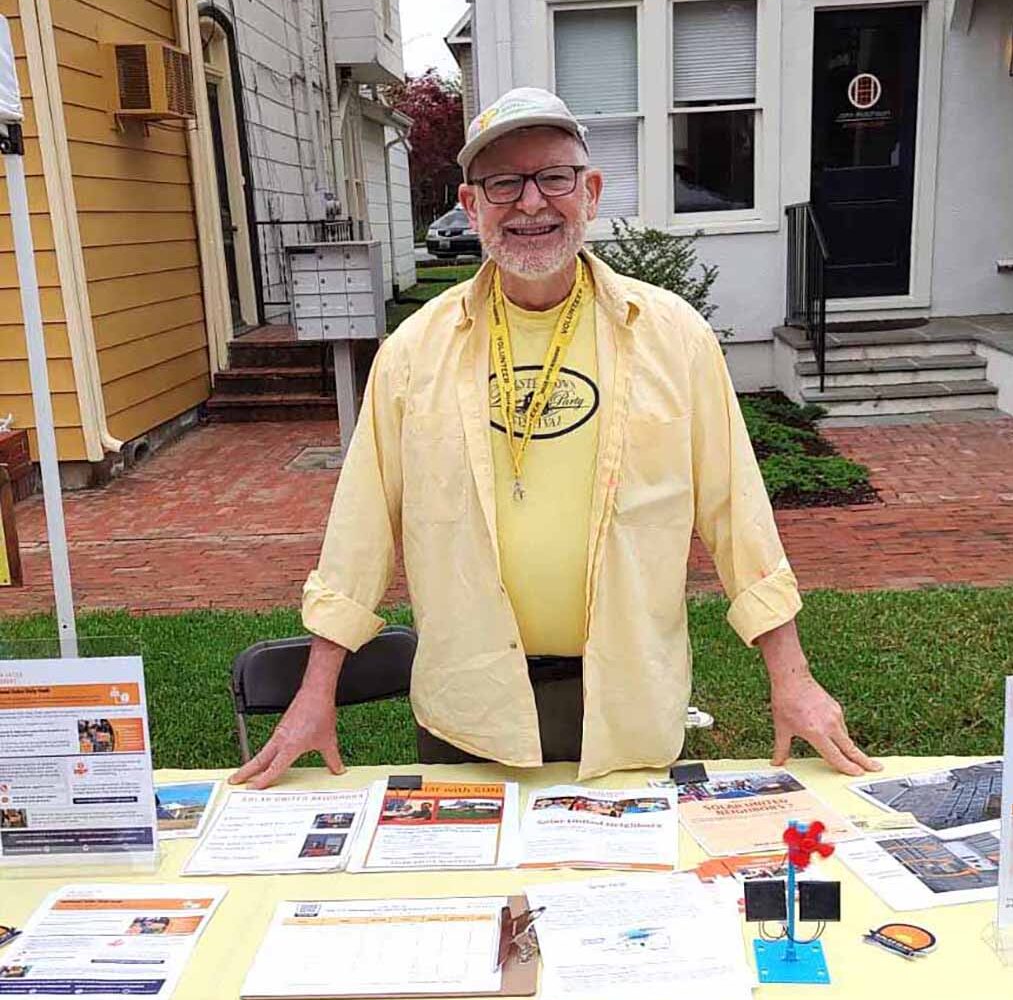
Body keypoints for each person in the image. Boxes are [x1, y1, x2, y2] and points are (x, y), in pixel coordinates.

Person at [232, 87, 880, 789]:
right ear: (471, 204)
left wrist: (794, 679)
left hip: (624, 703)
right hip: (469, 709)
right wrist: (314, 692)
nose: (531, 203)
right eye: (503, 182)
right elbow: (359, 529)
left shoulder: (672, 338)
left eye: (554, 177)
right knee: (482, 896)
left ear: (591, 191)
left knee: (623, 897)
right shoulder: (414, 352)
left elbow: (738, 515)